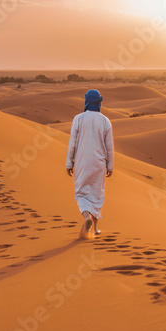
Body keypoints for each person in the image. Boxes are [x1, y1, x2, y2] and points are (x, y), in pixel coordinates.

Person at [66, 89, 114, 239]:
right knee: (97, 195)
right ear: (99, 102)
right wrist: (110, 165)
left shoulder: (78, 119)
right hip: (99, 163)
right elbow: (110, 147)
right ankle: (94, 229)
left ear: (86, 101)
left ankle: (86, 217)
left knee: (81, 193)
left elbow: (72, 143)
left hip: (82, 162)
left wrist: (69, 163)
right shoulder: (105, 121)